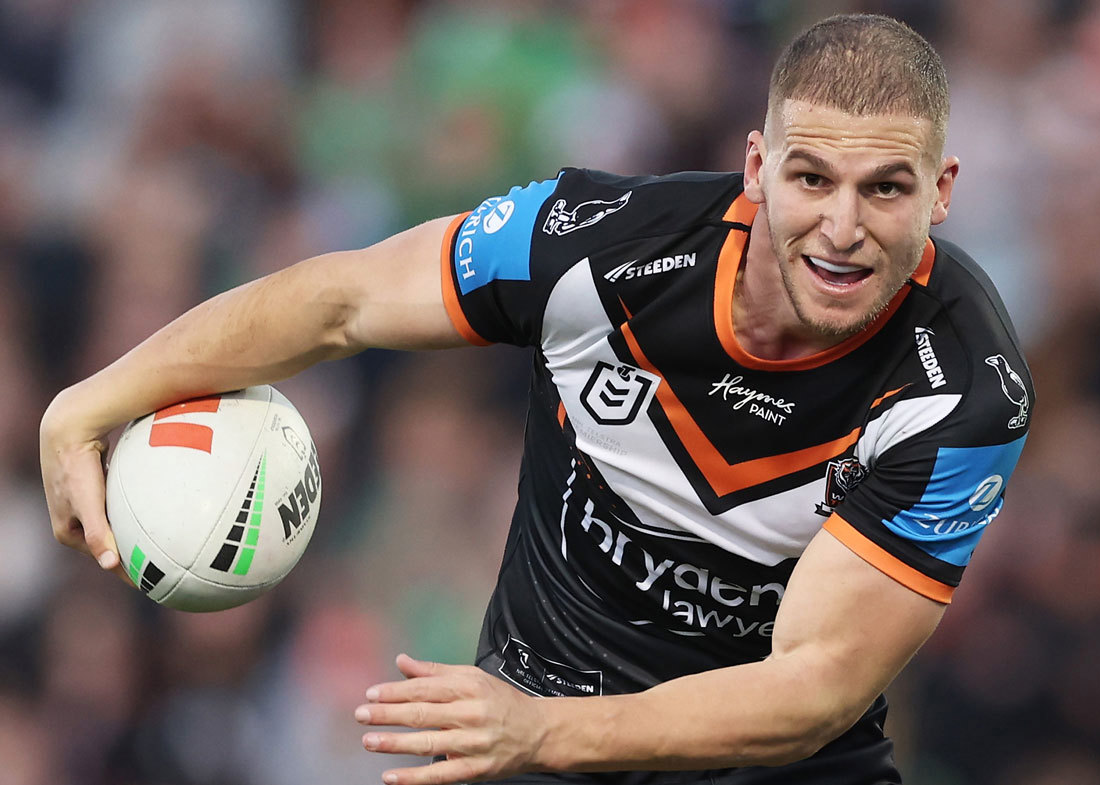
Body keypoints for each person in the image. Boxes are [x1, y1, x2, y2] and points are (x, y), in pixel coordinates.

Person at [40, 13, 1032, 785]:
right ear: (757, 167)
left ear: (941, 191)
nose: (841, 226)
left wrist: (548, 730)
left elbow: (813, 685)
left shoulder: (958, 389)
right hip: (533, 742)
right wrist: (91, 399)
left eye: (886, 189)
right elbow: (340, 301)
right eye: (812, 176)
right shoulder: (596, 246)